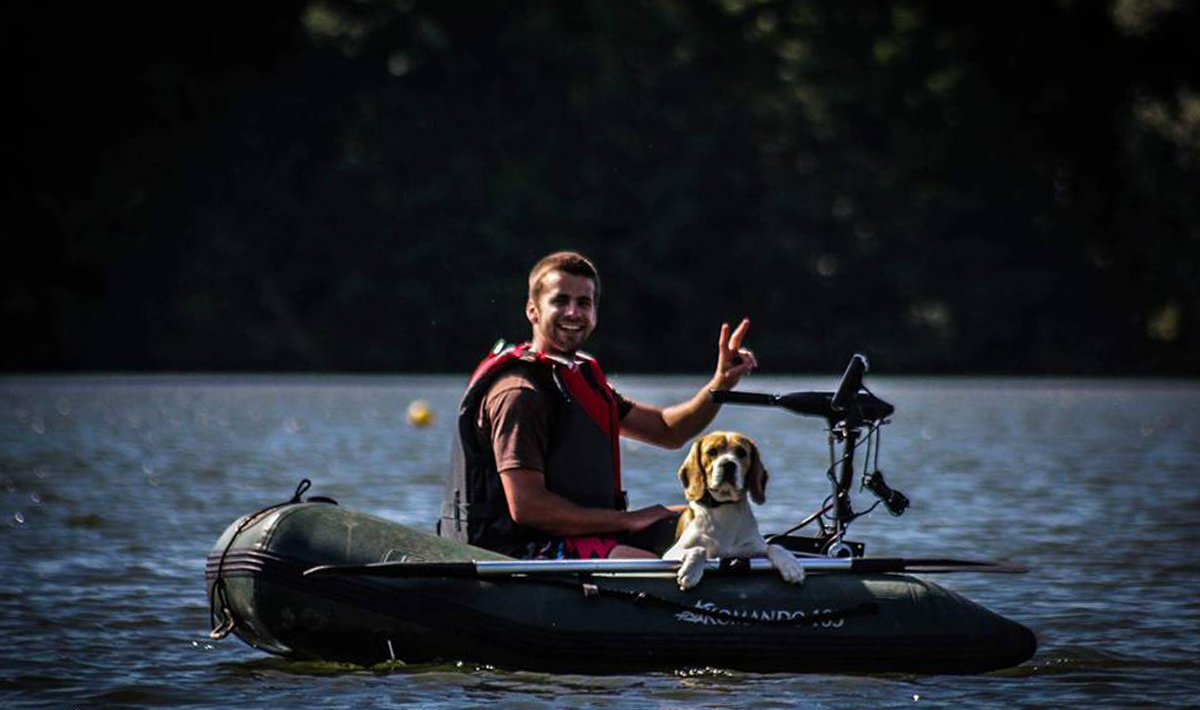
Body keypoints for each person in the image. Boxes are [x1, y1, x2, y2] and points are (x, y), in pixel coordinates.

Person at [439, 251, 757, 559]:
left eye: (584, 303)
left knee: (704, 524)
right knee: (662, 569)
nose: (574, 313)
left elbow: (667, 430)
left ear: (595, 313)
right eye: (560, 301)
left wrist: (721, 384)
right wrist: (627, 520)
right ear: (533, 310)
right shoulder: (520, 395)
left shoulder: (579, 377)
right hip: (518, 551)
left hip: (584, 534)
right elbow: (528, 508)